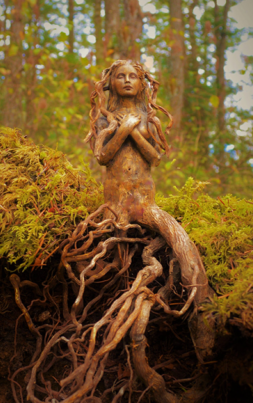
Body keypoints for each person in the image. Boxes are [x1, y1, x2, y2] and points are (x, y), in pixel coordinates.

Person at [86, 60, 215, 360]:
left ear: (143, 83)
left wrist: (133, 132)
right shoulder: (106, 118)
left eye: (133, 76)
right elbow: (102, 157)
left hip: (144, 199)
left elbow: (155, 157)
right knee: (108, 254)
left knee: (183, 246)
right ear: (110, 82)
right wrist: (120, 132)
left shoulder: (148, 117)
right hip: (114, 199)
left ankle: (202, 312)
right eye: (121, 76)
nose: (127, 81)